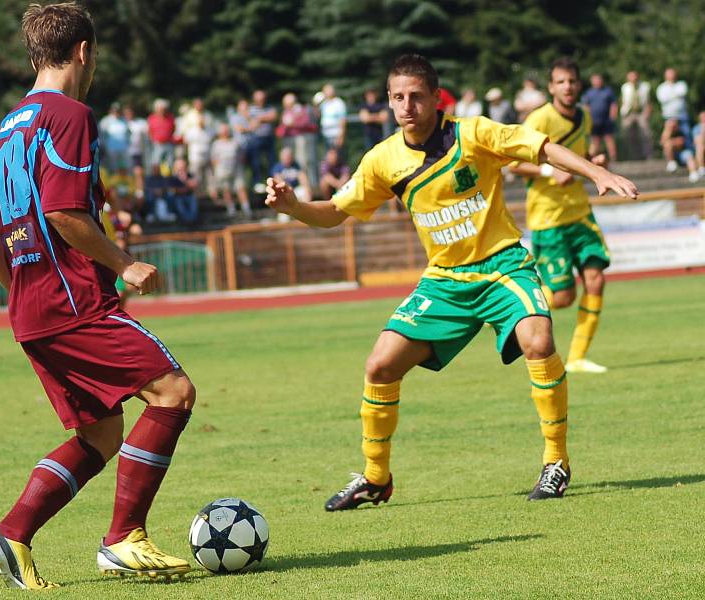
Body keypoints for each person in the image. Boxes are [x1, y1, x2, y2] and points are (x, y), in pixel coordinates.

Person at [265, 54, 637, 511]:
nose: (407, 106)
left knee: (538, 342)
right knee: (380, 366)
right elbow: (335, 213)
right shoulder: (383, 160)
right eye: (398, 97)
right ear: (388, 100)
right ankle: (376, 478)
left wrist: (598, 173)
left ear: (435, 98)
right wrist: (295, 207)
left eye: (416, 96)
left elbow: (540, 147)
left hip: (502, 267)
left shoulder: (473, 133)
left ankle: (556, 461)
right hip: (445, 281)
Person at [0, 4, 195, 589]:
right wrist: (126, 263)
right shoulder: (69, 115)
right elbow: (66, 211)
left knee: (99, 435)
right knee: (173, 393)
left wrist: (19, 287)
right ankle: (124, 539)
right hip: (75, 301)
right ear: (84, 52)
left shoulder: (7, 126)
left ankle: (11, 533)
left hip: (33, 312)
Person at [511, 57, 620, 374]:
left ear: (579, 84)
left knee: (596, 279)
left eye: (572, 81)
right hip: (549, 218)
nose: (567, 87)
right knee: (562, 298)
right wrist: (548, 170)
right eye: (561, 82)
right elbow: (514, 163)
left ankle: (577, 357)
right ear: (551, 87)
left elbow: (576, 158)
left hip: (580, 213)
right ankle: (514, 305)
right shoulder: (539, 119)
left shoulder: (584, 117)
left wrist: (592, 161)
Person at [211, 123, 251, 217]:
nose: (225, 132)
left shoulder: (235, 142)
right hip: (223, 170)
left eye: (226, 130)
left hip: (236, 169)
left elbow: (242, 156)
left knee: (241, 187)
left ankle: (246, 208)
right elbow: (214, 160)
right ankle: (231, 208)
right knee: (226, 190)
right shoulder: (216, 144)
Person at [656, 68, 691, 170]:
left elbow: (682, 93)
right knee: (665, 140)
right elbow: (663, 99)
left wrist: (670, 95)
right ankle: (671, 161)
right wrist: (676, 95)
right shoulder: (662, 87)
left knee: (687, 139)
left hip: (682, 118)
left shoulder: (681, 84)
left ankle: (689, 155)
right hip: (669, 118)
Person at [246, 89, 278, 193]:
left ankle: (272, 182)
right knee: (256, 162)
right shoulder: (251, 109)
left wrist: (259, 119)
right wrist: (264, 118)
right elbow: (251, 123)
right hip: (256, 139)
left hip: (269, 138)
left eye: (263, 99)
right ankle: (257, 182)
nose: (261, 101)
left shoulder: (269, 107)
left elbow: (273, 116)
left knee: (271, 161)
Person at [582, 74, 618, 161]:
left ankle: (614, 159)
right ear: (592, 82)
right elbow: (586, 106)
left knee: (609, 139)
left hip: (606, 120)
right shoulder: (589, 93)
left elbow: (614, 104)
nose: (597, 82)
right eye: (595, 80)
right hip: (594, 121)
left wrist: (613, 116)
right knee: (595, 141)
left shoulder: (608, 91)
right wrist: (588, 119)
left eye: (599, 80)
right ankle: (595, 159)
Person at [271, 146, 311, 222]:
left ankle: (307, 214)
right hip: (285, 193)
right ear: (281, 157)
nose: (287, 158)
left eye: (289, 156)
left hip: (296, 190)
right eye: (286, 156)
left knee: (305, 190)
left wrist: (307, 189)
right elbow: (279, 182)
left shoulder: (296, 165)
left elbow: (304, 179)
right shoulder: (277, 167)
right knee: (283, 219)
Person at [619, 71, 653, 160]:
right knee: (628, 135)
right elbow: (623, 100)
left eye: (634, 76)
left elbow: (648, 100)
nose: (633, 78)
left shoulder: (645, 86)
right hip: (628, 113)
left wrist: (648, 112)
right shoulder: (625, 87)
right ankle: (633, 156)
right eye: (631, 77)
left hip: (641, 112)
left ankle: (648, 155)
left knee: (646, 134)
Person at [661, 118, 700, 182]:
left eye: (673, 125)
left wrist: (671, 142)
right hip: (673, 155)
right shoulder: (667, 133)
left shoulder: (682, 132)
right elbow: (663, 142)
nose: (672, 127)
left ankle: (693, 173)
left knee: (689, 157)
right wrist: (668, 131)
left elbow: (680, 143)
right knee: (667, 144)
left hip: (683, 153)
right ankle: (671, 162)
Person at [168, 158, 199, 225]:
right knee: (179, 203)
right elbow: (176, 190)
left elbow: (194, 185)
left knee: (193, 201)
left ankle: (192, 220)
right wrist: (186, 185)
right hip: (178, 198)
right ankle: (187, 221)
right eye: (179, 169)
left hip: (189, 196)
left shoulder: (190, 175)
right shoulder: (173, 177)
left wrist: (184, 181)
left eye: (183, 168)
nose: (182, 170)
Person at [147, 98, 176, 169]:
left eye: (164, 109)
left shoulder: (171, 118)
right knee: (155, 164)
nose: (162, 110)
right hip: (157, 144)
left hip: (168, 143)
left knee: (170, 164)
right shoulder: (152, 118)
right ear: (156, 109)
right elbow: (149, 131)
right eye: (160, 109)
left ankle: (168, 179)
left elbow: (173, 129)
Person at [318, 83, 347, 150]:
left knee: (337, 156)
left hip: (336, 135)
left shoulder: (338, 103)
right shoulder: (323, 103)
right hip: (326, 134)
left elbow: (342, 120)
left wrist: (341, 136)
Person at [692, 111, 705, 178]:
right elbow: (698, 141)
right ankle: (701, 169)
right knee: (700, 147)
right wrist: (703, 130)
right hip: (701, 149)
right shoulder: (696, 128)